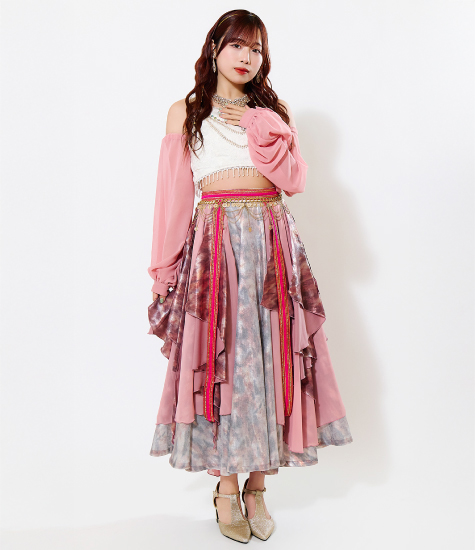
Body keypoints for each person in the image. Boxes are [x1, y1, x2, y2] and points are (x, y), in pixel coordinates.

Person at [147, 9, 353, 543]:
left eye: (257, 49)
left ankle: (257, 488)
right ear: (215, 47)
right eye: (237, 45)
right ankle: (225, 488)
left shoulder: (272, 112)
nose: (247, 57)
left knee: (271, 360)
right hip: (216, 245)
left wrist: (262, 126)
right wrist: (164, 269)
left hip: (271, 241)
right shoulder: (185, 113)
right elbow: (173, 200)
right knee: (228, 366)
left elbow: (294, 179)